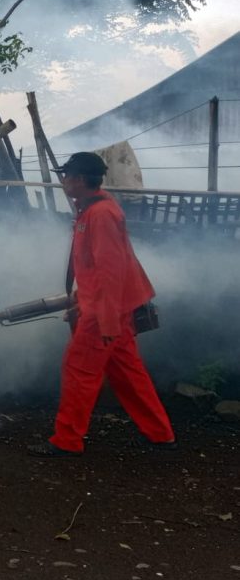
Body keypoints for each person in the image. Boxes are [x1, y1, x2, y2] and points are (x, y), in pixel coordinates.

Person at [29, 151, 177, 457]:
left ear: (80, 180)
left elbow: (111, 272)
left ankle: (67, 441)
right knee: (127, 373)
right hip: (110, 307)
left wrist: (104, 318)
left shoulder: (101, 214)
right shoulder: (93, 208)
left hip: (106, 311)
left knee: (79, 369)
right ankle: (161, 435)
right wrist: (81, 297)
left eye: (66, 176)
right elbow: (94, 268)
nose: (64, 181)